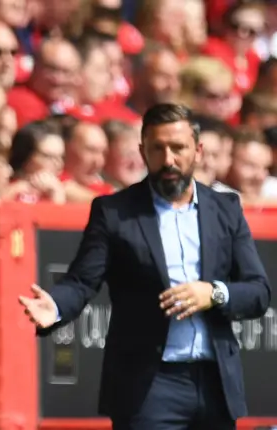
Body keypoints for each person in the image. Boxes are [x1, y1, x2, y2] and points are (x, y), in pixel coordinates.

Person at [19, 103, 271, 430]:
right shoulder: (114, 212)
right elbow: (82, 282)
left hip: (215, 383)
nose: (168, 159)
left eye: (178, 148)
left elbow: (258, 291)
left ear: (198, 150)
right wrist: (53, 307)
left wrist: (214, 293)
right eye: (157, 148)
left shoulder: (226, 208)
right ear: (143, 151)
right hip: (148, 385)